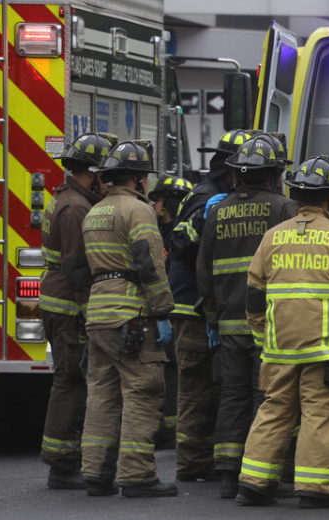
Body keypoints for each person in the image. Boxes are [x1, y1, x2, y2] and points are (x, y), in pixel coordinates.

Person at [235, 155, 329, 509]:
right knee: (320, 412)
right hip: (325, 349)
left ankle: (253, 483)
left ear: (296, 195)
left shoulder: (272, 237)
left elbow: (253, 296)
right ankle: (314, 488)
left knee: (274, 409)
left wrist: (263, 337)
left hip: (280, 346)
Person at [198, 134, 298, 498]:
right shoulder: (285, 209)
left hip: (228, 325)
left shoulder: (217, 211)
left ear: (237, 174)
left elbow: (204, 273)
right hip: (269, 325)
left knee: (233, 396)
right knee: (269, 397)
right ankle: (265, 476)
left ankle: (228, 473)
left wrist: (213, 318)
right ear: (274, 174)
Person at [80, 140, 177, 498]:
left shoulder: (95, 212)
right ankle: (137, 476)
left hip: (98, 313)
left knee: (102, 394)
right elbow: (150, 263)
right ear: (138, 179)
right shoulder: (138, 211)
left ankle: (95, 473)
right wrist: (164, 311)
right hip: (132, 313)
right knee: (142, 390)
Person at [168, 129, 250, 480]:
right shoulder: (206, 197)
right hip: (193, 311)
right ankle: (191, 463)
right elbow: (180, 244)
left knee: (216, 389)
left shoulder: (221, 194)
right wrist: (204, 218)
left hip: (208, 309)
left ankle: (207, 459)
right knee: (197, 390)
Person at [38, 132, 114, 490]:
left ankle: (66, 459)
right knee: (70, 380)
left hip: (59, 301)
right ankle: (62, 463)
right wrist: (91, 309)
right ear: (94, 173)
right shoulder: (76, 208)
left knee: (69, 379)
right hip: (69, 305)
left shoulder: (65, 198)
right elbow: (75, 265)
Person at [147, 176, 194, 452]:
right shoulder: (159, 231)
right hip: (163, 311)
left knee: (172, 373)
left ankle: (170, 429)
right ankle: (166, 427)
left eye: (158, 200)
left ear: (166, 202)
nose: (154, 205)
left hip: (173, 311)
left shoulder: (176, 234)